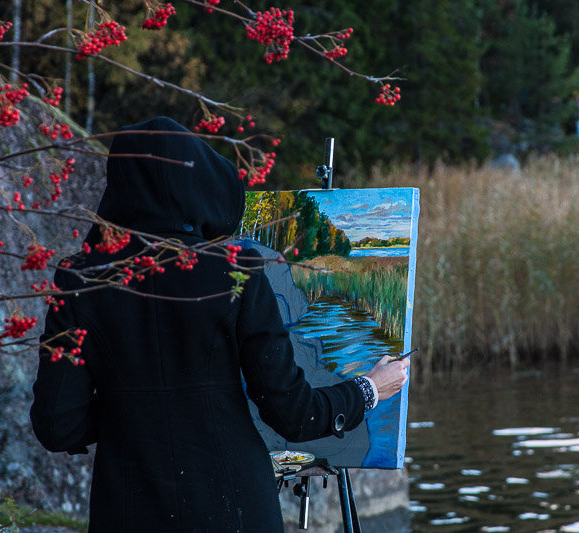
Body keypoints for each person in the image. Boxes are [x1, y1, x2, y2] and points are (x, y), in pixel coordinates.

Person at [30, 116, 410, 532]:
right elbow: (294, 415)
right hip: (236, 510)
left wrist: (135, 407)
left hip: (127, 511)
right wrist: (369, 388)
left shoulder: (79, 279)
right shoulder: (235, 270)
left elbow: (57, 425)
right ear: (195, 184)